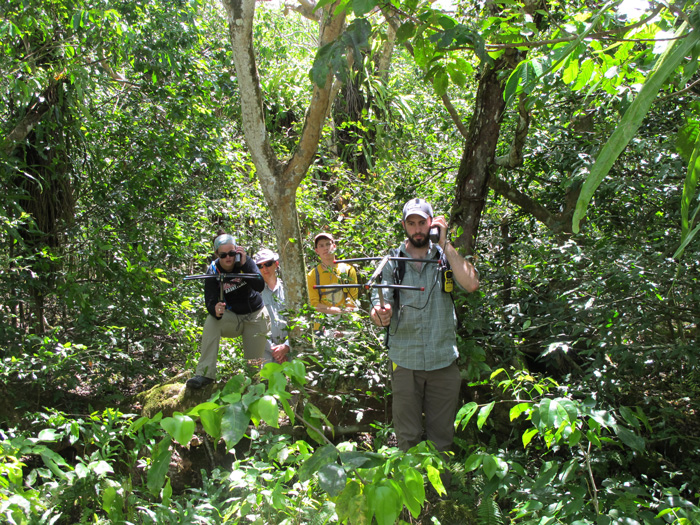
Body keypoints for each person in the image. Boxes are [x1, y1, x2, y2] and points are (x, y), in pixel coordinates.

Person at [370, 198, 479, 457]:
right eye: (412, 223)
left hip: (442, 361)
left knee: (442, 437)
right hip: (405, 361)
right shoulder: (393, 260)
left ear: (432, 224)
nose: (417, 229)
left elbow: (472, 284)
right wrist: (380, 313)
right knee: (407, 436)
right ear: (404, 225)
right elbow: (379, 299)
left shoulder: (445, 257)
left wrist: (445, 243)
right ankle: (413, 495)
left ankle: (440, 494)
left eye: (423, 223)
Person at [186, 232, 270, 389]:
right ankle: (205, 374)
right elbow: (209, 300)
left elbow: (259, 286)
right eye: (223, 255)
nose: (228, 258)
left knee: (253, 371)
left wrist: (245, 263)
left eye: (232, 253)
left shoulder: (246, 262)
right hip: (233, 318)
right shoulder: (213, 270)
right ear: (217, 254)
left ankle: (253, 390)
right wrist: (215, 309)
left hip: (255, 316)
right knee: (212, 321)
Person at [306, 232, 358, 333]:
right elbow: (314, 304)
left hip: (345, 326)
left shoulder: (348, 270)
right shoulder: (312, 275)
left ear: (334, 246)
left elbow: (352, 301)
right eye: (321, 246)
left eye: (328, 244)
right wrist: (338, 311)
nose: (325, 248)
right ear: (317, 250)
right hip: (321, 328)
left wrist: (342, 327)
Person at [254, 248, 290, 364]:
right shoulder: (254, 294)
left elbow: (299, 321)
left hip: (291, 349)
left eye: (268, 264)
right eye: (260, 266)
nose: (264, 268)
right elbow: (254, 326)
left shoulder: (289, 289)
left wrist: (286, 346)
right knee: (266, 381)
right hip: (266, 352)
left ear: (276, 264)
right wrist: (274, 350)